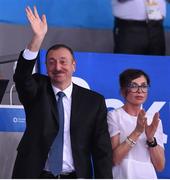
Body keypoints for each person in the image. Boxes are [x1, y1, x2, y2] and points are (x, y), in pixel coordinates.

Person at [12, 6, 113, 179]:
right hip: (36, 174)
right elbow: (22, 77)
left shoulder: (93, 102)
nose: (57, 67)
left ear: (74, 65)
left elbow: (101, 150)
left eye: (63, 62)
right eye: (51, 62)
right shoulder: (37, 88)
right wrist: (38, 38)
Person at [107, 69, 165, 178]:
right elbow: (114, 159)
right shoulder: (114, 116)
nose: (140, 91)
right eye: (134, 86)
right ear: (123, 91)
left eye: (144, 86)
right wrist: (137, 132)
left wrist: (151, 139)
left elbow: (160, 166)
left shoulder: (153, 120)